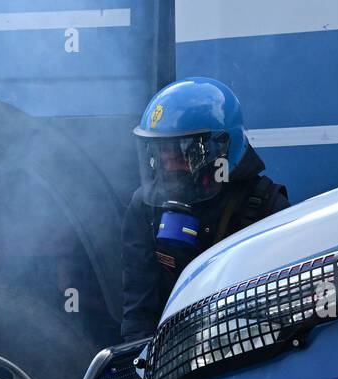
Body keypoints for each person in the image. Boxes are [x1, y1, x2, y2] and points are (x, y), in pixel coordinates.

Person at [121, 77, 289, 342]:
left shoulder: (265, 206)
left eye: (179, 151)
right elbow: (139, 311)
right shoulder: (145, 207)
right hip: (169, 356)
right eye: (160, 151)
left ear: (219, 149)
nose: (166, 162)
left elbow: (277, 312)